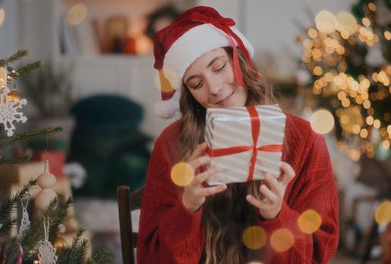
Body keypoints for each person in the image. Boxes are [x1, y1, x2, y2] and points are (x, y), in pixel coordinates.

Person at [137, 6, 339, 264]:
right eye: (196, 83)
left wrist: (277, 215)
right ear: (188, 94)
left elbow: (317, 254)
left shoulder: (305, 139)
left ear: (239, 59)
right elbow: (152, 258)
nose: (215, 89)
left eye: (219, 67)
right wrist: (187, 206)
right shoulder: (171, 144)